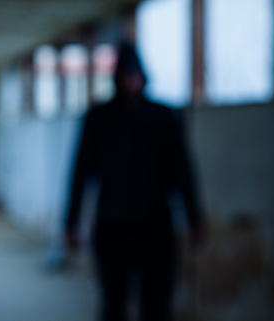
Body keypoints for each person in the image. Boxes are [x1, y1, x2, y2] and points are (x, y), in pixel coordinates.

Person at [64, 43, 203, 321]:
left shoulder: (164, 117)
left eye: (135, 76)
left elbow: (182, 171)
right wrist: (70, 224)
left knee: (156, 305)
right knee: (113, 304)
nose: (131, 82)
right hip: (112, 226)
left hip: (156, 227)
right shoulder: (99, 118)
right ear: (117, 79)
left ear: (143, 78)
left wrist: (194, 218)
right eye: (126, 76)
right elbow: (80, 173)